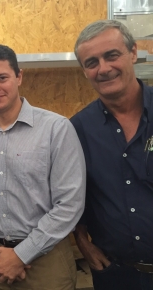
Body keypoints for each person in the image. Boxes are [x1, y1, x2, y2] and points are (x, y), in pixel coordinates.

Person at [0, 44, 86, 290]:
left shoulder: (56, 129)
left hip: (45, 260)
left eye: (2, 78)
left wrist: (21, 254)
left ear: (19, 77)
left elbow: (70, 203)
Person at [71, 19, 153, 290]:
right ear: (84, 71)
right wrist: (82, 241)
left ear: (133, 53)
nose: (103, 69)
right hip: (115, 275)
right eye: (91, 62)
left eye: (112, 56)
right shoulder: (77, 129)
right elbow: (72, 196)